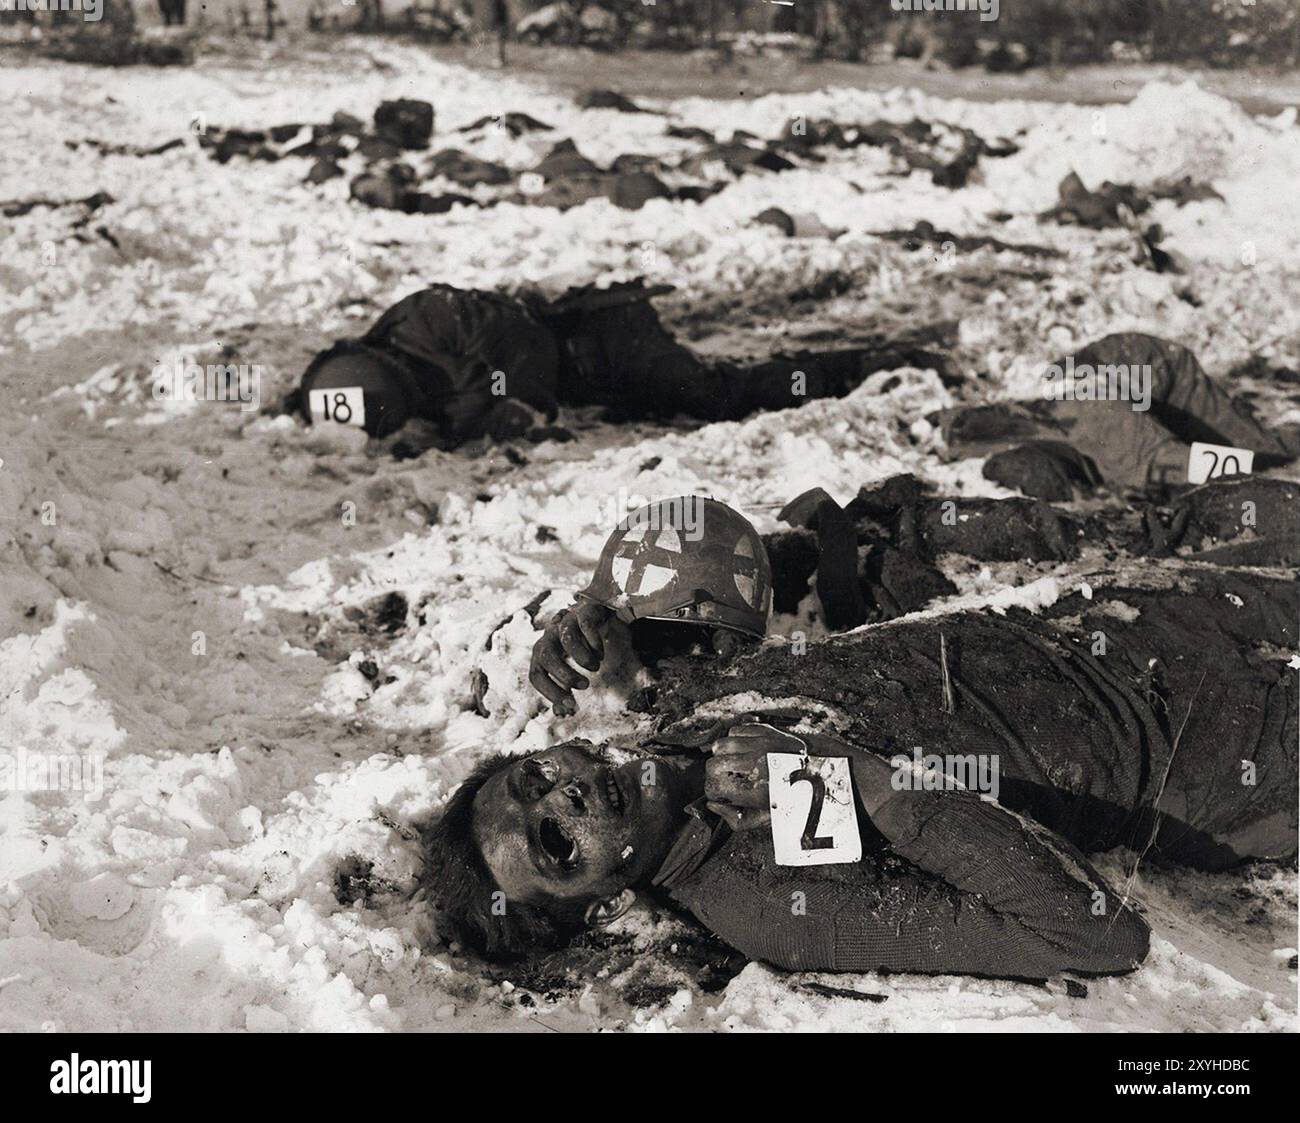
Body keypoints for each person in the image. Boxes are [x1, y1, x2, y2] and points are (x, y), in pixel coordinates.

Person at [424, 551, 1296, 977]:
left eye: (534, 778)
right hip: (1216, 742)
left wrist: (607, 621)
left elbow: (717, 573)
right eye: (556, 842)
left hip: (1127, 617)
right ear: (602, 903)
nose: (568, 795)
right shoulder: (767, 899)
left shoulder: (665, 721)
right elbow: (1095, 933)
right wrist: (863, 780)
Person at [292, 280, 950, 444]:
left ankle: (865, 364)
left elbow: (526, 348)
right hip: (588, 371)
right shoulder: (382, 353)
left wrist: (508, 412)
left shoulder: (430, 318)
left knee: (715, 396)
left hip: (607, 339)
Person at [938, 333, 1300, 498]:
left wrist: (1263, 473)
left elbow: (1182, 461)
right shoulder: (1026, 428)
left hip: (1153, 369)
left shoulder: (1108, 438)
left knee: (1262, 452)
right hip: (1105, 367)